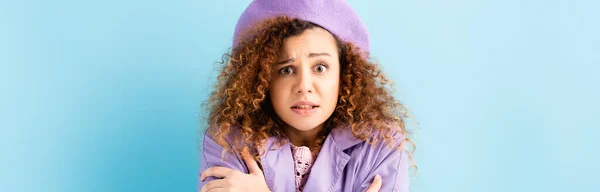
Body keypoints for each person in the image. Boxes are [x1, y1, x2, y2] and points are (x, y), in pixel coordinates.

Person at [198, 0, 415, 191]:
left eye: (320, 68)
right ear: (262, 80)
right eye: (286, 70)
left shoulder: (380, 143)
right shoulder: (228, 140)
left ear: (344, 73)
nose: (304, 86)